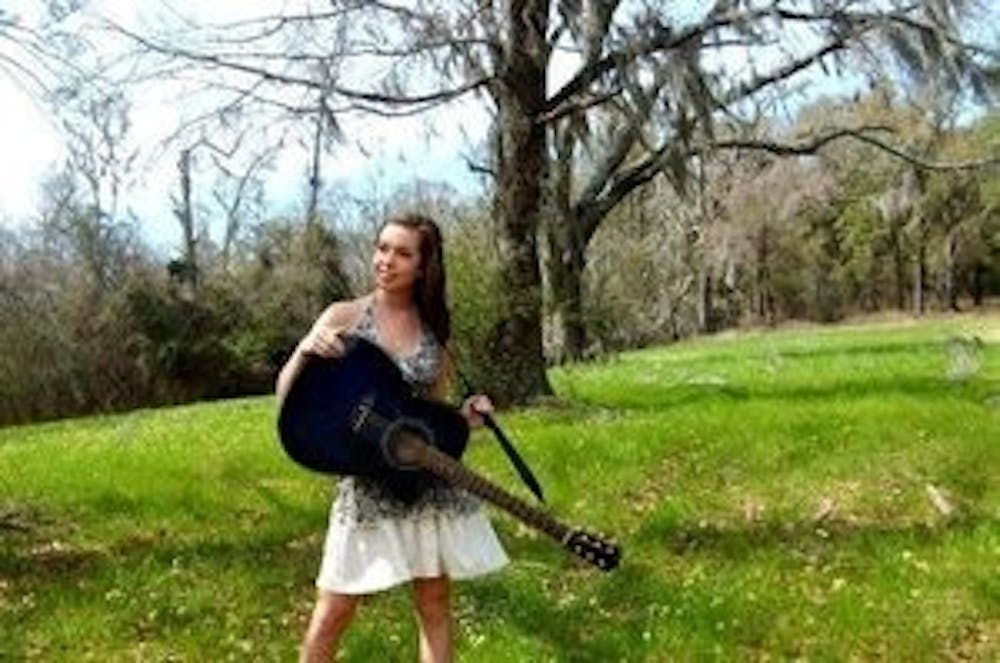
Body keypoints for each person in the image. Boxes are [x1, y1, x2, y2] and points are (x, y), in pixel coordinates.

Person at [276, 213, 508, 662]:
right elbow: (287, 395)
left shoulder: (434, 330)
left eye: (403, 253)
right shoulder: (343, 317)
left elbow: (426, 412)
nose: (386, 261)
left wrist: (466, 417)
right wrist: (304, 351)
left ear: (423, 267)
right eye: (382, 248)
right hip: (366, 481)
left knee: (434, 603)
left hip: (422, 481)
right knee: (334, 609)